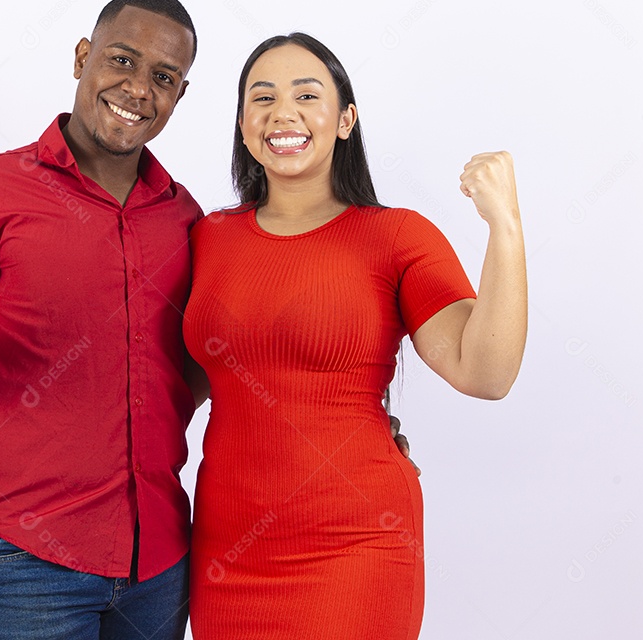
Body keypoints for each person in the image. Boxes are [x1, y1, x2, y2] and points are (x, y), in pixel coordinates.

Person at [0, 0, 416, 640]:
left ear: (180, 95)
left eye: (163, 77)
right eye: (121, 60)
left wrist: (350, 432)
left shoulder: (188, 221)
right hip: (28, 563)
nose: (138, 88)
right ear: (83, 57)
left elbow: (222, 362)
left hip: (160, 565)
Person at [182, 33, 527, 640]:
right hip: (227, 550)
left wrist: (505, 226)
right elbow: (173, 380)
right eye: (262, 97)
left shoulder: (396, 237)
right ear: (242, 126)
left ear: (345, 121)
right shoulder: (207, 238)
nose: (282, 112)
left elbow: (485, 372)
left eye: (306, 95)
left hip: (356, 545)